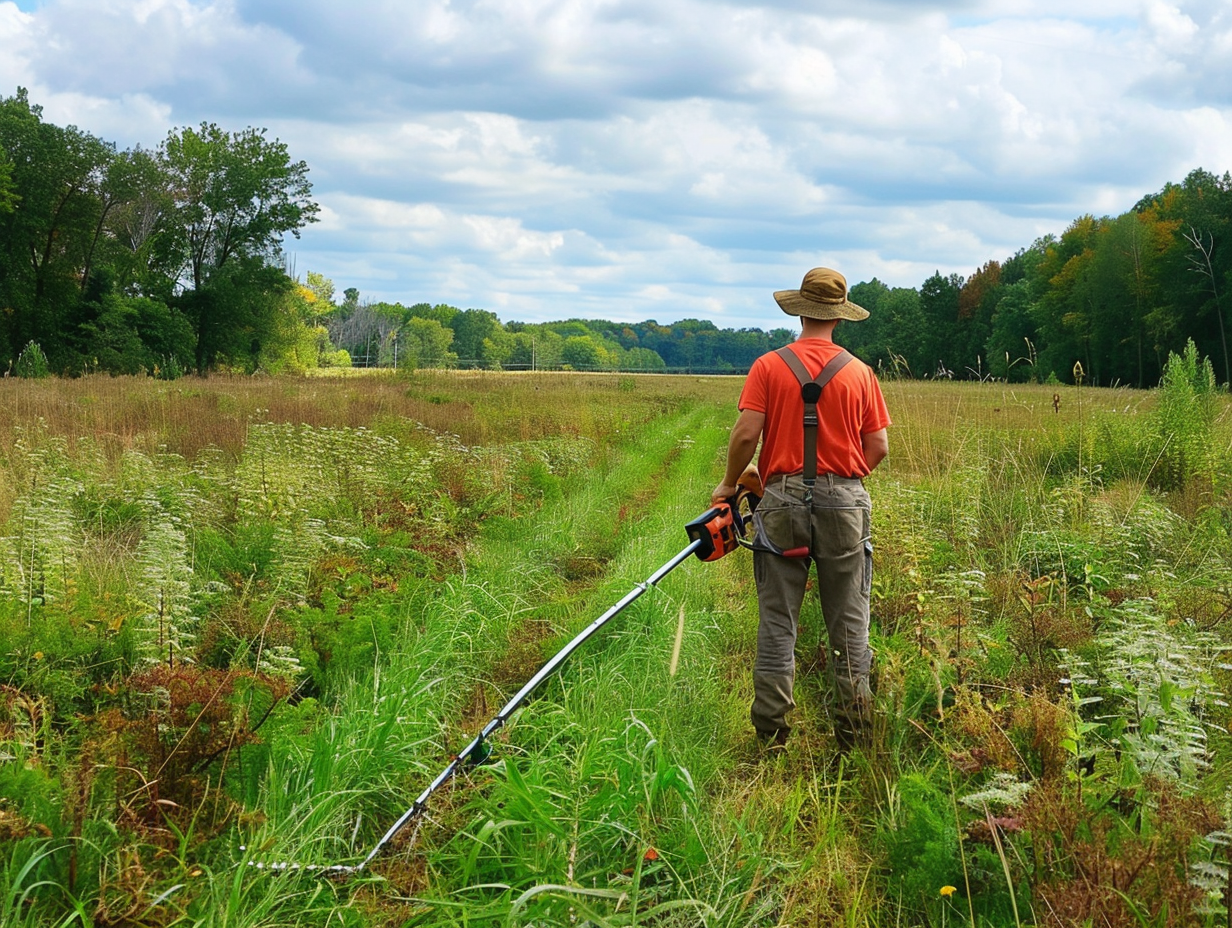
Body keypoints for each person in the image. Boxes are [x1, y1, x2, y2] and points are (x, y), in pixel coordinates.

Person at [712, 267, 890, 750]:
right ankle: (854, 738)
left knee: (777, 623)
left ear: (798, 309)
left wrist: (730, 485)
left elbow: (747, 434)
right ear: (840, 317)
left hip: (782, 503)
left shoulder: (769, 366)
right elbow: (878, 447)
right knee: (850, 624)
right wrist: (842, 480)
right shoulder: (860, 373)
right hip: (846, 504)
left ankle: (771, 736)